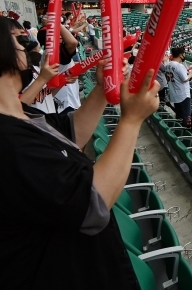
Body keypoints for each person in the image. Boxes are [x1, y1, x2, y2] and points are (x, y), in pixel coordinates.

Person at [0, 16, 160, 289]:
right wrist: (131, 121)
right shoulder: (7, 142)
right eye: (16, 39)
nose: (25, 45)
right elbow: (91, 203)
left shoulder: (20, 115)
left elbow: (72, 133)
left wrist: (100, 89)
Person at [167, 47, 192, 127]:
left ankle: (179, 131)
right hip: (183, 95)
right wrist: (190, 75)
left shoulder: (168, 64)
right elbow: (185, 79)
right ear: (180, 55)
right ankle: (185, 133)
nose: (184, 55)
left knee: (179, 117)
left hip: (174, 94)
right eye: (184, 54)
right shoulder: (179, 66)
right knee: (186, 119)